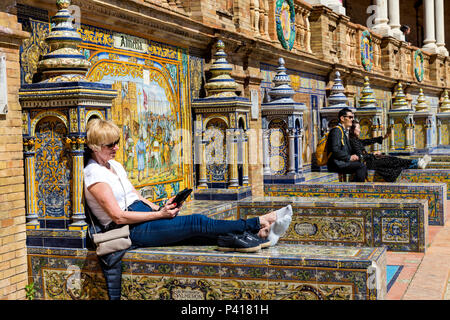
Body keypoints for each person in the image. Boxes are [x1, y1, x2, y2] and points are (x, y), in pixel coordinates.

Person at [84, 118, 292, 251]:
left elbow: (135, 196)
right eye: (110, 145)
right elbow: (118, 217)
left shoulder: (115, 165)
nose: (116, 148)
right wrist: (159, 215)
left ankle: (259, 235)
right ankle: (260, 222)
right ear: (94, 147)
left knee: (199, 233)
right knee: (197, 222)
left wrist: (162, 208)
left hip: (143, 216)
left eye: (117, 142)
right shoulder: (93, 174)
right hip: (130, 230)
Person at [349, 120, 432, 182]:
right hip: (369, 163)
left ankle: (416, 163)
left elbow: (368, 141)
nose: (360, 130)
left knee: (393, 159)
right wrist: (373, 154)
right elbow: (360, 157)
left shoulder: (356, 140)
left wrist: (383, 137)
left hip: (372, 160)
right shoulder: (352, 141)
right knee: (392, 161)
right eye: (358, 128)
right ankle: (416, 163)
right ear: (352, 129)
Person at [326, 107, 367, 182]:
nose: (352, 119)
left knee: (362, 163)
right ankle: (357, 190)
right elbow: (335, 150)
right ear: (342, 118)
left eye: (352, 117)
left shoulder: (343, 131)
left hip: (342, 162)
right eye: (350, 117)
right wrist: (349, 157)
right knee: (361, 167)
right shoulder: (336, 131)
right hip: (336, 164)